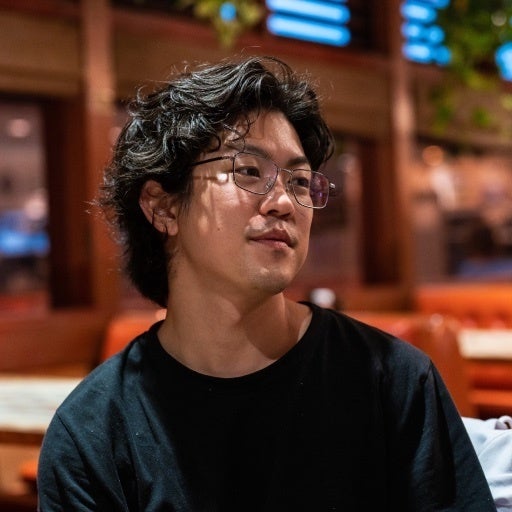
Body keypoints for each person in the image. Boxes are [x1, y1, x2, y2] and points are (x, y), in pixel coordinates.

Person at [37, 55, 494, 511]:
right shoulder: (93, 434)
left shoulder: (394, 381)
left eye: (300, 182)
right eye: (249, 171)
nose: (284, 203)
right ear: (163, 207)